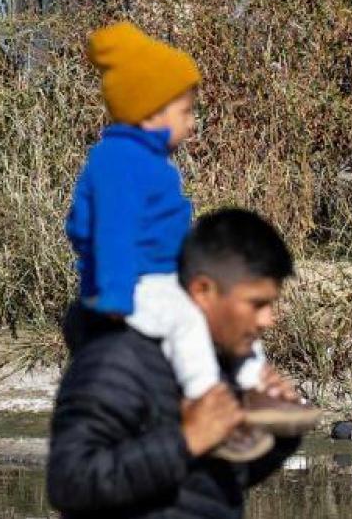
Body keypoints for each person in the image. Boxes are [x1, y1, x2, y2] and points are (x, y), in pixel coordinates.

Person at [64, 21, 316, 462]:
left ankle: (253, 386)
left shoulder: (150, 160)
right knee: (186, 320)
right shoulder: (119, 162)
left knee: (225, 307)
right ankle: (209, 407)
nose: (193, 122)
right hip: (134, 285)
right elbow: (114, 235)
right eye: (186, 111)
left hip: (165, 275)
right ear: (150, 113)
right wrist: (115, 299)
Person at [48, 208, 303, 519]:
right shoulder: (117, 361)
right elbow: (69, 482)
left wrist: (278, 432)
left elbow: (209, 488)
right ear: (202, 290)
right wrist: (186, 440)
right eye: (257, 304)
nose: (268, 320)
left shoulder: (218, 366)